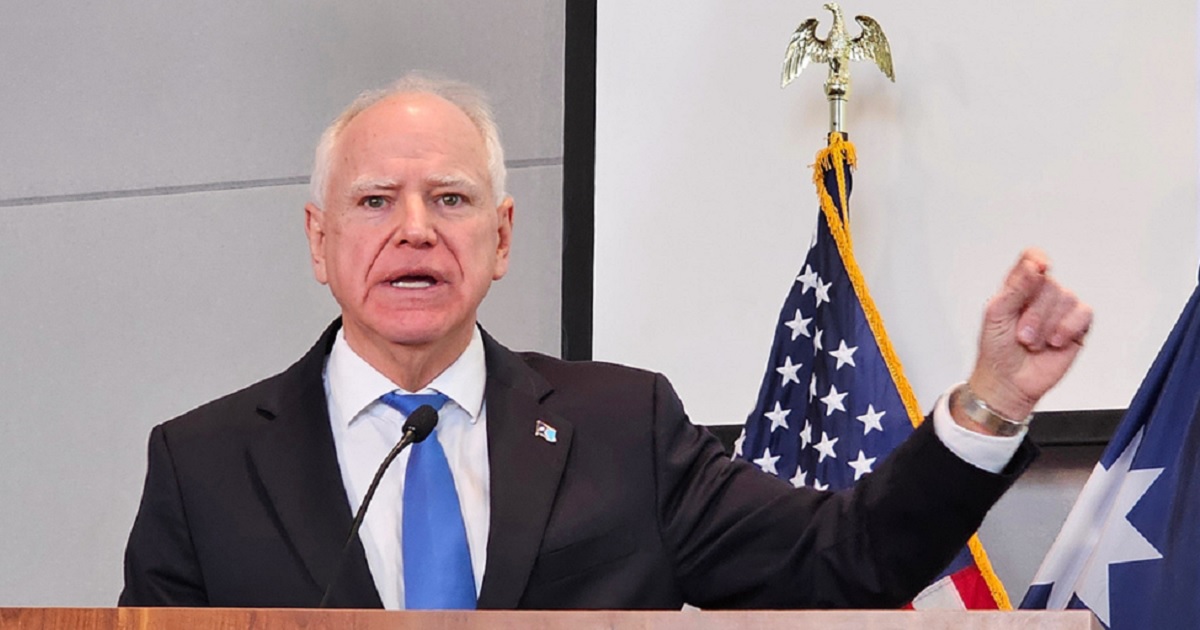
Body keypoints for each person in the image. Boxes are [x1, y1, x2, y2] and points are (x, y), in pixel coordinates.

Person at [118, 74, 1092, 610]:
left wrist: (990, 402)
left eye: (450, 199)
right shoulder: (204, 466)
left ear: (501, 238)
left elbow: (849, 557)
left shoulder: (624, 428)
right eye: (375, 201)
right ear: (318, 240)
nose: (414, 230)